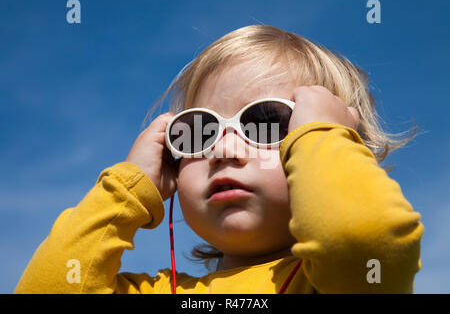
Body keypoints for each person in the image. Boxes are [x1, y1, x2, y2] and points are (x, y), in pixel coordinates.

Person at [15, 24, 424, 294]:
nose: (223, 150)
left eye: (266, 122)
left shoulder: (343, 280)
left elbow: (360, 237)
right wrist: (127, 190)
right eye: (199, 131)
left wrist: (321, 134)